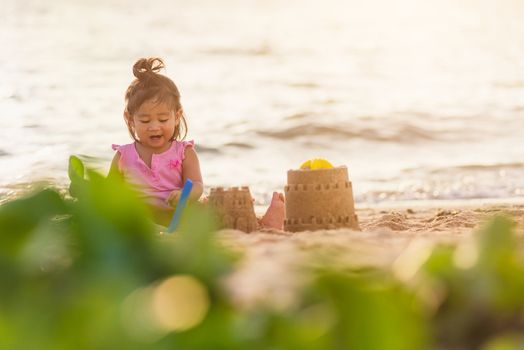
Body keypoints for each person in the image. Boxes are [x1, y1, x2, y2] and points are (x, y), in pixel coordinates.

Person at [109, 57, 284, 229]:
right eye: (145, 121)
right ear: (130, 119)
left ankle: (263, 222)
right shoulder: (123, 155)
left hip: (178, 214)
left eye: (163, 119)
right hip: (141, 217)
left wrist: (184, 196)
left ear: (177, 116)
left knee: (214, 213)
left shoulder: (184, 152)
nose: (154, 127)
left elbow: (197, 185)